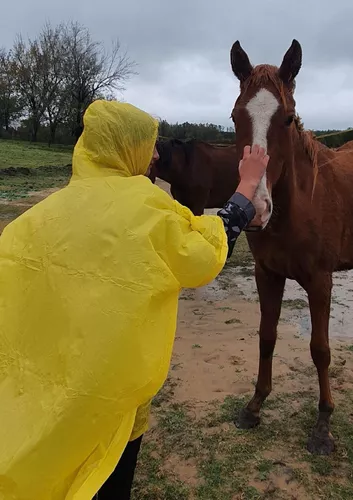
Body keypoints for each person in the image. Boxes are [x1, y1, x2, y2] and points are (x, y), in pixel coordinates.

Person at [0, 100, 268, 500]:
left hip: (27, 403)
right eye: (147, 143)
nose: (156, 153)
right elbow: (203, 256)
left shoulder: (27, 224)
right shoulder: (149, 209)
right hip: (108, 405)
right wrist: (246, 189)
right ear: (124, 147)